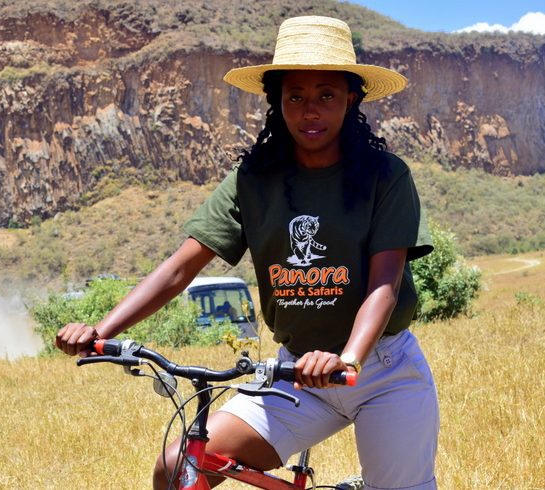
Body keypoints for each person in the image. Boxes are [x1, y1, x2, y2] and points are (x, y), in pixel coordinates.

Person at [56, 15, 439, 490]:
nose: (309, 111)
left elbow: (386, 284)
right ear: (277, 102)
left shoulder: (386, 175)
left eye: (326, 95)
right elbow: (180, 268)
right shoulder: (252, 181)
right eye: (294, 96)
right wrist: (102, 330)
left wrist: (350, 361)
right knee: (179, 466)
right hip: (292, 372)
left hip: (381, 369)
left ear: (352, 98)